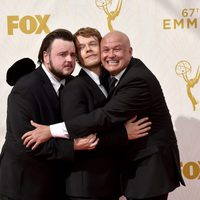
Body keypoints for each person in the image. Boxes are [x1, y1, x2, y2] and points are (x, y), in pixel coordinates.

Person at [22, 28, 152, 200]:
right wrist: (124, 134)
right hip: (87, 186)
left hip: (111, 182)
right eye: (81, 47)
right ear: (78, 57)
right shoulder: (74, 88)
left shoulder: (113, 81)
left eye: (92, 44)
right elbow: (83, 137)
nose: (88, 49)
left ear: (102, 47)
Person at [0, 29, 99, 200]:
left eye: (72, 55)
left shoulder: (75, 83)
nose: (69, 60)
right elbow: (28, 142)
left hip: (57, 184)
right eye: (62, 54)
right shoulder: (25, 88)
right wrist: (73, 146)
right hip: (23, 189)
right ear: (46, 57)